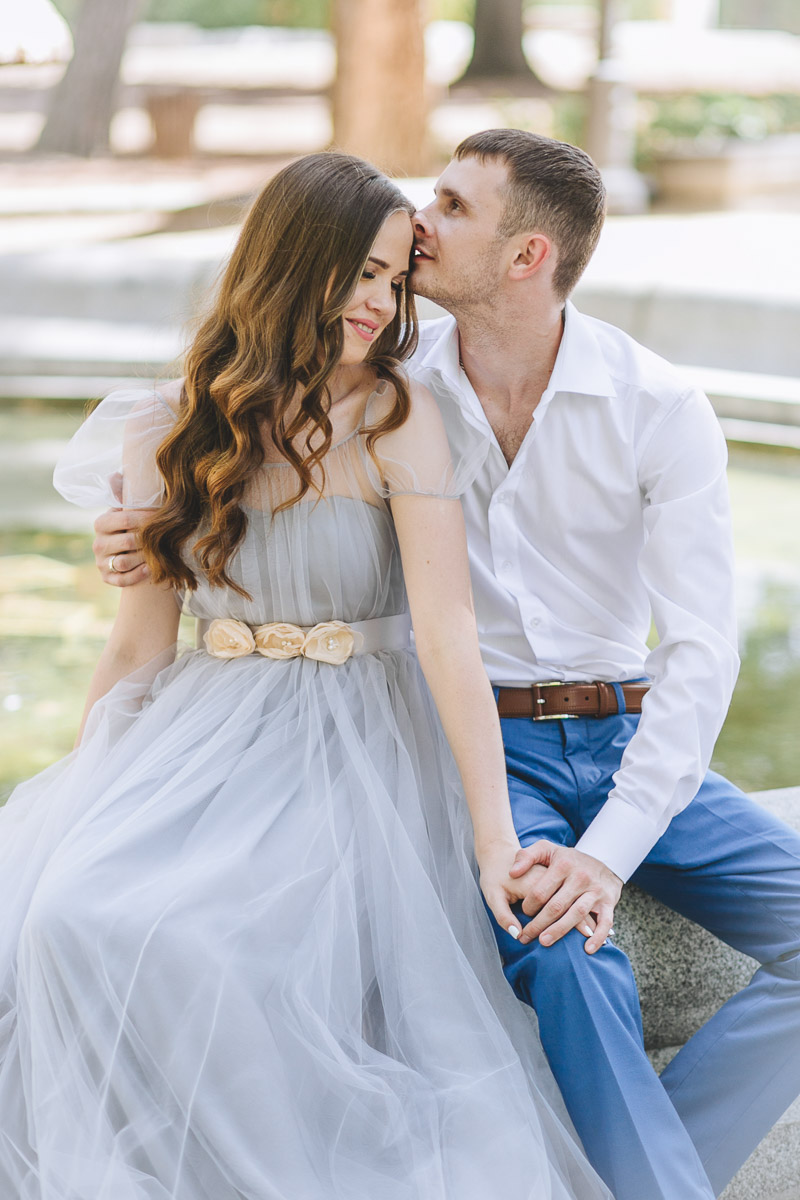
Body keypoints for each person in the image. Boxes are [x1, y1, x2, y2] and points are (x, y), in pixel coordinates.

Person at [97, 129, 800, 1200]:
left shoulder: (655, 407)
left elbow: (699, 657)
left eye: (452, 207)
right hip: (477, 743)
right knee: (566, 959)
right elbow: (247, 451)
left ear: (526, 258)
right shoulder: (384, 382)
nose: (418, 224)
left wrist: (606, 856)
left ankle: (652, 1183)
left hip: (624, 738)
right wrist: (146, 534)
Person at [1, 152, 612, 1200]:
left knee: (219, 949)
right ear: (291, 269)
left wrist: (490, 837)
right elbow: (137, 649)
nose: (380, 302)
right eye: (359, 275)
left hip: (356, 741)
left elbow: (446, 630)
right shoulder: (169, 431)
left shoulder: (395, 418)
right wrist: (77, 798)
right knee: (66, 916)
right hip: (206, 731)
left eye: (390, 277)